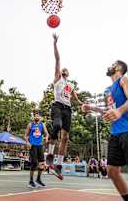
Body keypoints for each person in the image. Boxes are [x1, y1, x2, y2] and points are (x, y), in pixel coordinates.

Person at [85, 60, 128, 201]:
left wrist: (120, 111)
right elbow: (109, 111)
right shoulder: (108, 90)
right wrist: (91, 108)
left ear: (118, 68)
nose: (110, 65)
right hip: (115, 133)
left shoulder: (125, 80)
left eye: (113, 63)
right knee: (112, 171)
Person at [47, 34, 84, 180]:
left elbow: (75, 97)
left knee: (65, 137)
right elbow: (57, 59)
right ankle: (50, 156)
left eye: (66, 70)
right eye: (63, 69)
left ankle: (59, 165)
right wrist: (55, 43)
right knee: (57, 125)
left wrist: (82, 104)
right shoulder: (57, 77)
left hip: (68, 108)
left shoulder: (70, 84)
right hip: (57, 106)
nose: (65, 69)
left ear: (69, 73)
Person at [24, 110, 49, 188]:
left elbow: (47, 133)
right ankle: (31, 181)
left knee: (41, 164)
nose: (36, 116)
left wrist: (46, 138)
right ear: (33, 116)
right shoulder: (30, 125)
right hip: (33, 146)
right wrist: (27, 142)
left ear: (40, 117)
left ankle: (38, 179)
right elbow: (25, 135)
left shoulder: (42, 125)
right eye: (35, 115)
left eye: (38, 115)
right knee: (34, 163)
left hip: (40, 146)